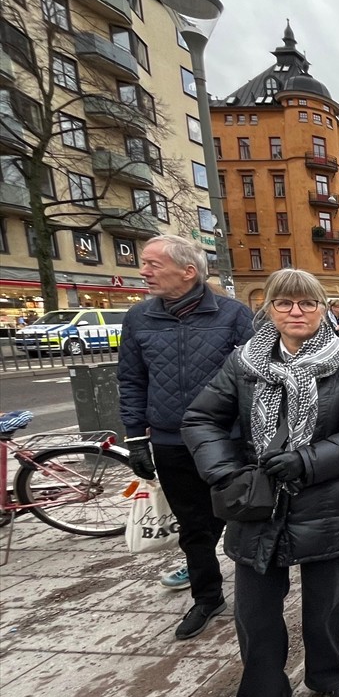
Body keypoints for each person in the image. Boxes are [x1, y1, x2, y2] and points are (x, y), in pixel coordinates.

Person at [181, 268, 339, 697]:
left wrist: (307, 461)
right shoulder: (244, 363)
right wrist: (227, 472)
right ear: (268, 309)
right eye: (285, 303)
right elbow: (201, 418)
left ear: (323, 309)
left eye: (307, 303)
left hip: (326, 501)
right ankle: (262, 696)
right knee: (253, 611)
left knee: (325, 604)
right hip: (257, 505)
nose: (297, 312)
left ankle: (330, 674)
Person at [117, 235, 254, 636]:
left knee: (238, 514)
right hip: (169, 440)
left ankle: (256, 590)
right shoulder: (139, 318)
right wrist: (135, 437)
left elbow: (255, 377)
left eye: (153, 264)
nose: (144, 272)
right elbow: (131, 379)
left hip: (224, 438)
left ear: (188, 271)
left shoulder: (232, 314)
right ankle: (207, 597)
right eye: (144, 264)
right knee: (192, 525)